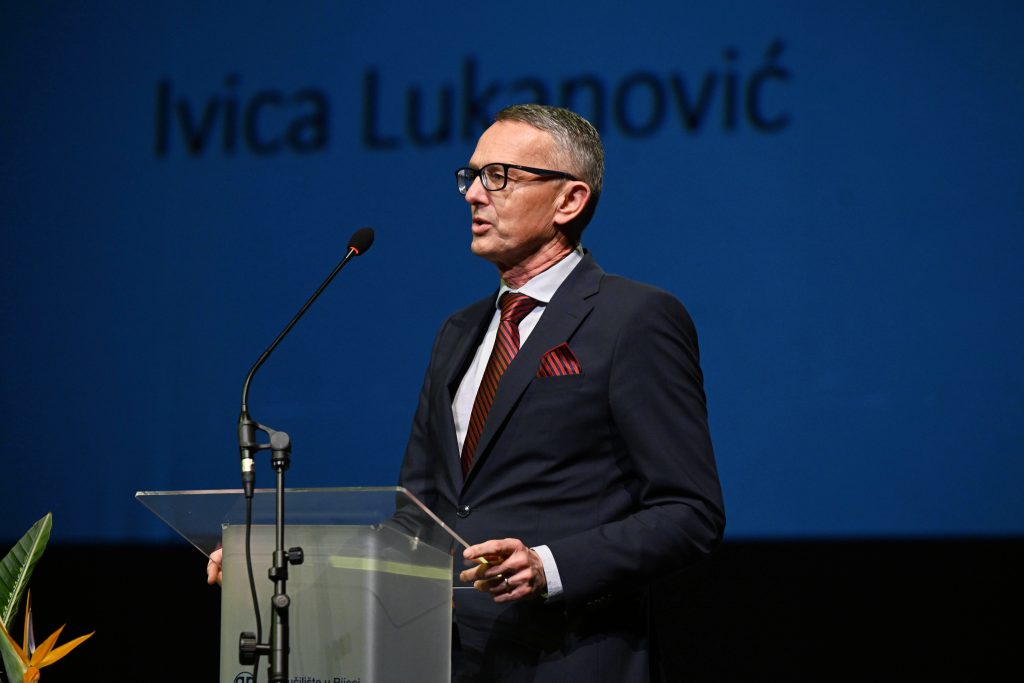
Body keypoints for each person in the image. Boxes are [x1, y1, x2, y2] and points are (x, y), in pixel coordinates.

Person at [210, 103, 725, 682]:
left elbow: (690, 513)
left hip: (567, 656)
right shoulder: (458, 332)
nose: (475, 194)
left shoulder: (633, 318)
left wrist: (548, 566)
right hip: (443, 659)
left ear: (569, 200)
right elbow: (419, 516)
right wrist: (286, 566)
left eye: (499, 176)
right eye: (472, 176)